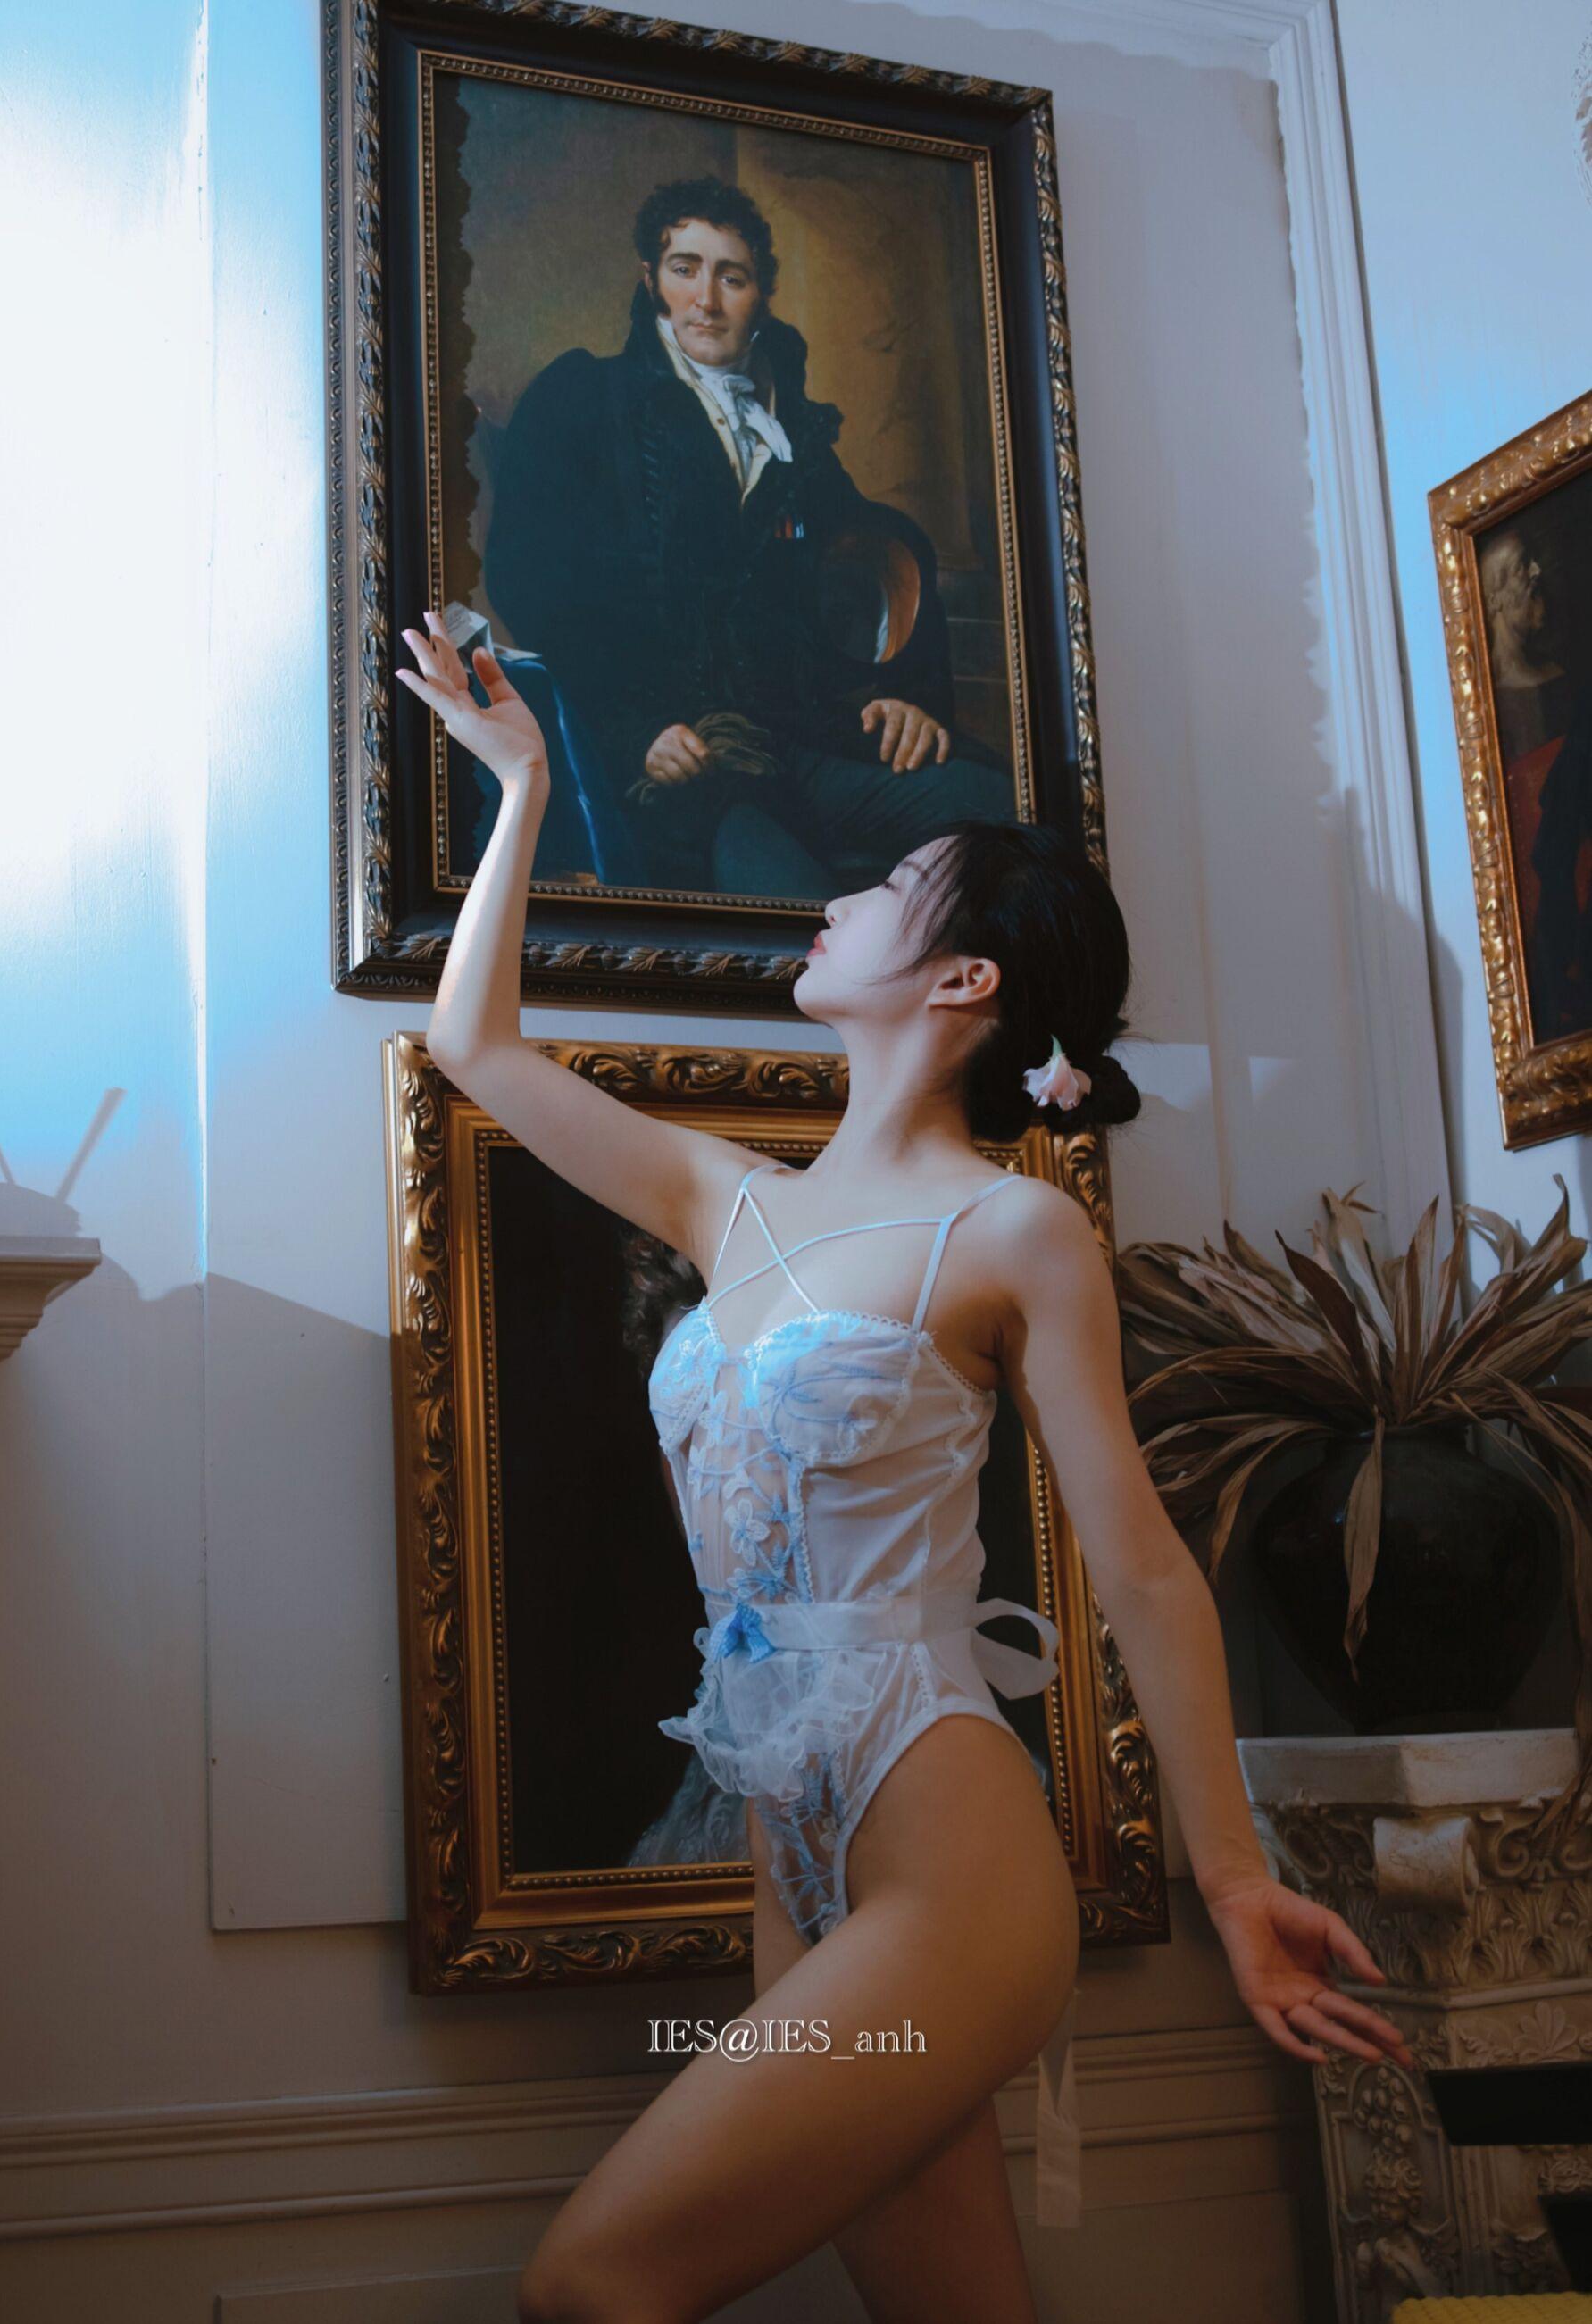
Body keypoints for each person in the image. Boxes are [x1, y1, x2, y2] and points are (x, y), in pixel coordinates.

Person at [396, 613, 1414, 2324]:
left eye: (889, 886)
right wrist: (520, 785)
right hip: (786, 1847)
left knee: (590, 2281)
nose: (840, 895)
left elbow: (1140, 1563)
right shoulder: (726, 1201)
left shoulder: (1014, 1230)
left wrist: (1236, 1878)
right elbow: (476, 1051)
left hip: (948, 1847)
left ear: (962, 980)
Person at [482, 174, 1018, 898]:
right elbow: (531, 583)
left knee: (1004, 815)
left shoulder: (790, 427)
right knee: (790, 898)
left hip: (801, 745)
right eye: (685, 269)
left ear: (760, 294)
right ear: (651, 280)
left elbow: (875, 565)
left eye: (731, 277)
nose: (705, 300)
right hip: (679, 765)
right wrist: (634, 733)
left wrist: (898, 696)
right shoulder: (587, 399)